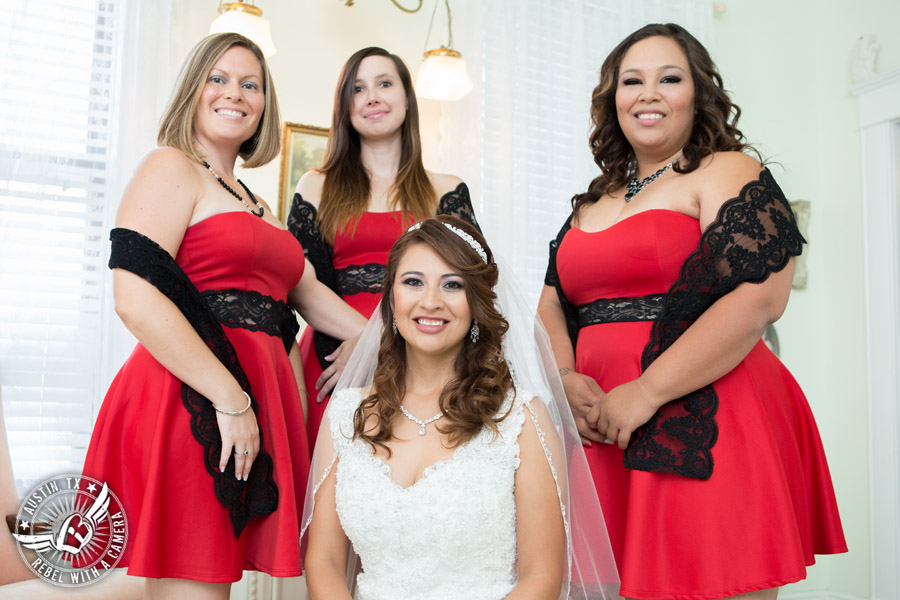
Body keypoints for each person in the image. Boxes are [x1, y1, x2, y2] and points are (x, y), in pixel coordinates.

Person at [538, 23, 847, 600]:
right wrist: (563, 378)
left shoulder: (728, 171)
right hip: (597, 424)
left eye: (669, 78)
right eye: (632, 81)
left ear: (698, 93)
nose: (648, 93)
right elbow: (552, 300)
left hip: (703, 412)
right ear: (613, 100)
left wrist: (648, 391)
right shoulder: (594, 199)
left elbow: (760, 297)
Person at [80, 33, 366, 599]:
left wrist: (392, 335)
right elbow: (133, 297)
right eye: (219, 78)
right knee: (196, 587)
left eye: (250, 83)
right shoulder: (171, 168)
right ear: (193, 89)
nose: (234, 93)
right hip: (188, 401)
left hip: (245, 404)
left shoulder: (253, 202)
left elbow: (310, 298)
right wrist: (231, 399)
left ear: (264, 104)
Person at [302, 216, 619, 600]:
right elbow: (325, 564)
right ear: (391, 298)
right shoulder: (346, 415)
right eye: (413, 281)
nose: (430, 301)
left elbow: (542, 578)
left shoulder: (522, 418)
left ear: (476, 303)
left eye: (452, 285)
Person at [287, 47, 480, 453]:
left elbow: (472, 290)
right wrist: (369, 337)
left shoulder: (447, 189)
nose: (372, 97)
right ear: (346, 107)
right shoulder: (314, 186)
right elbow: (298, 283)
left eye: (385, 84)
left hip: (426, 359)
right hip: (334, 360)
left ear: (408, 99)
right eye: (358, 88)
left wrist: (388, 341)